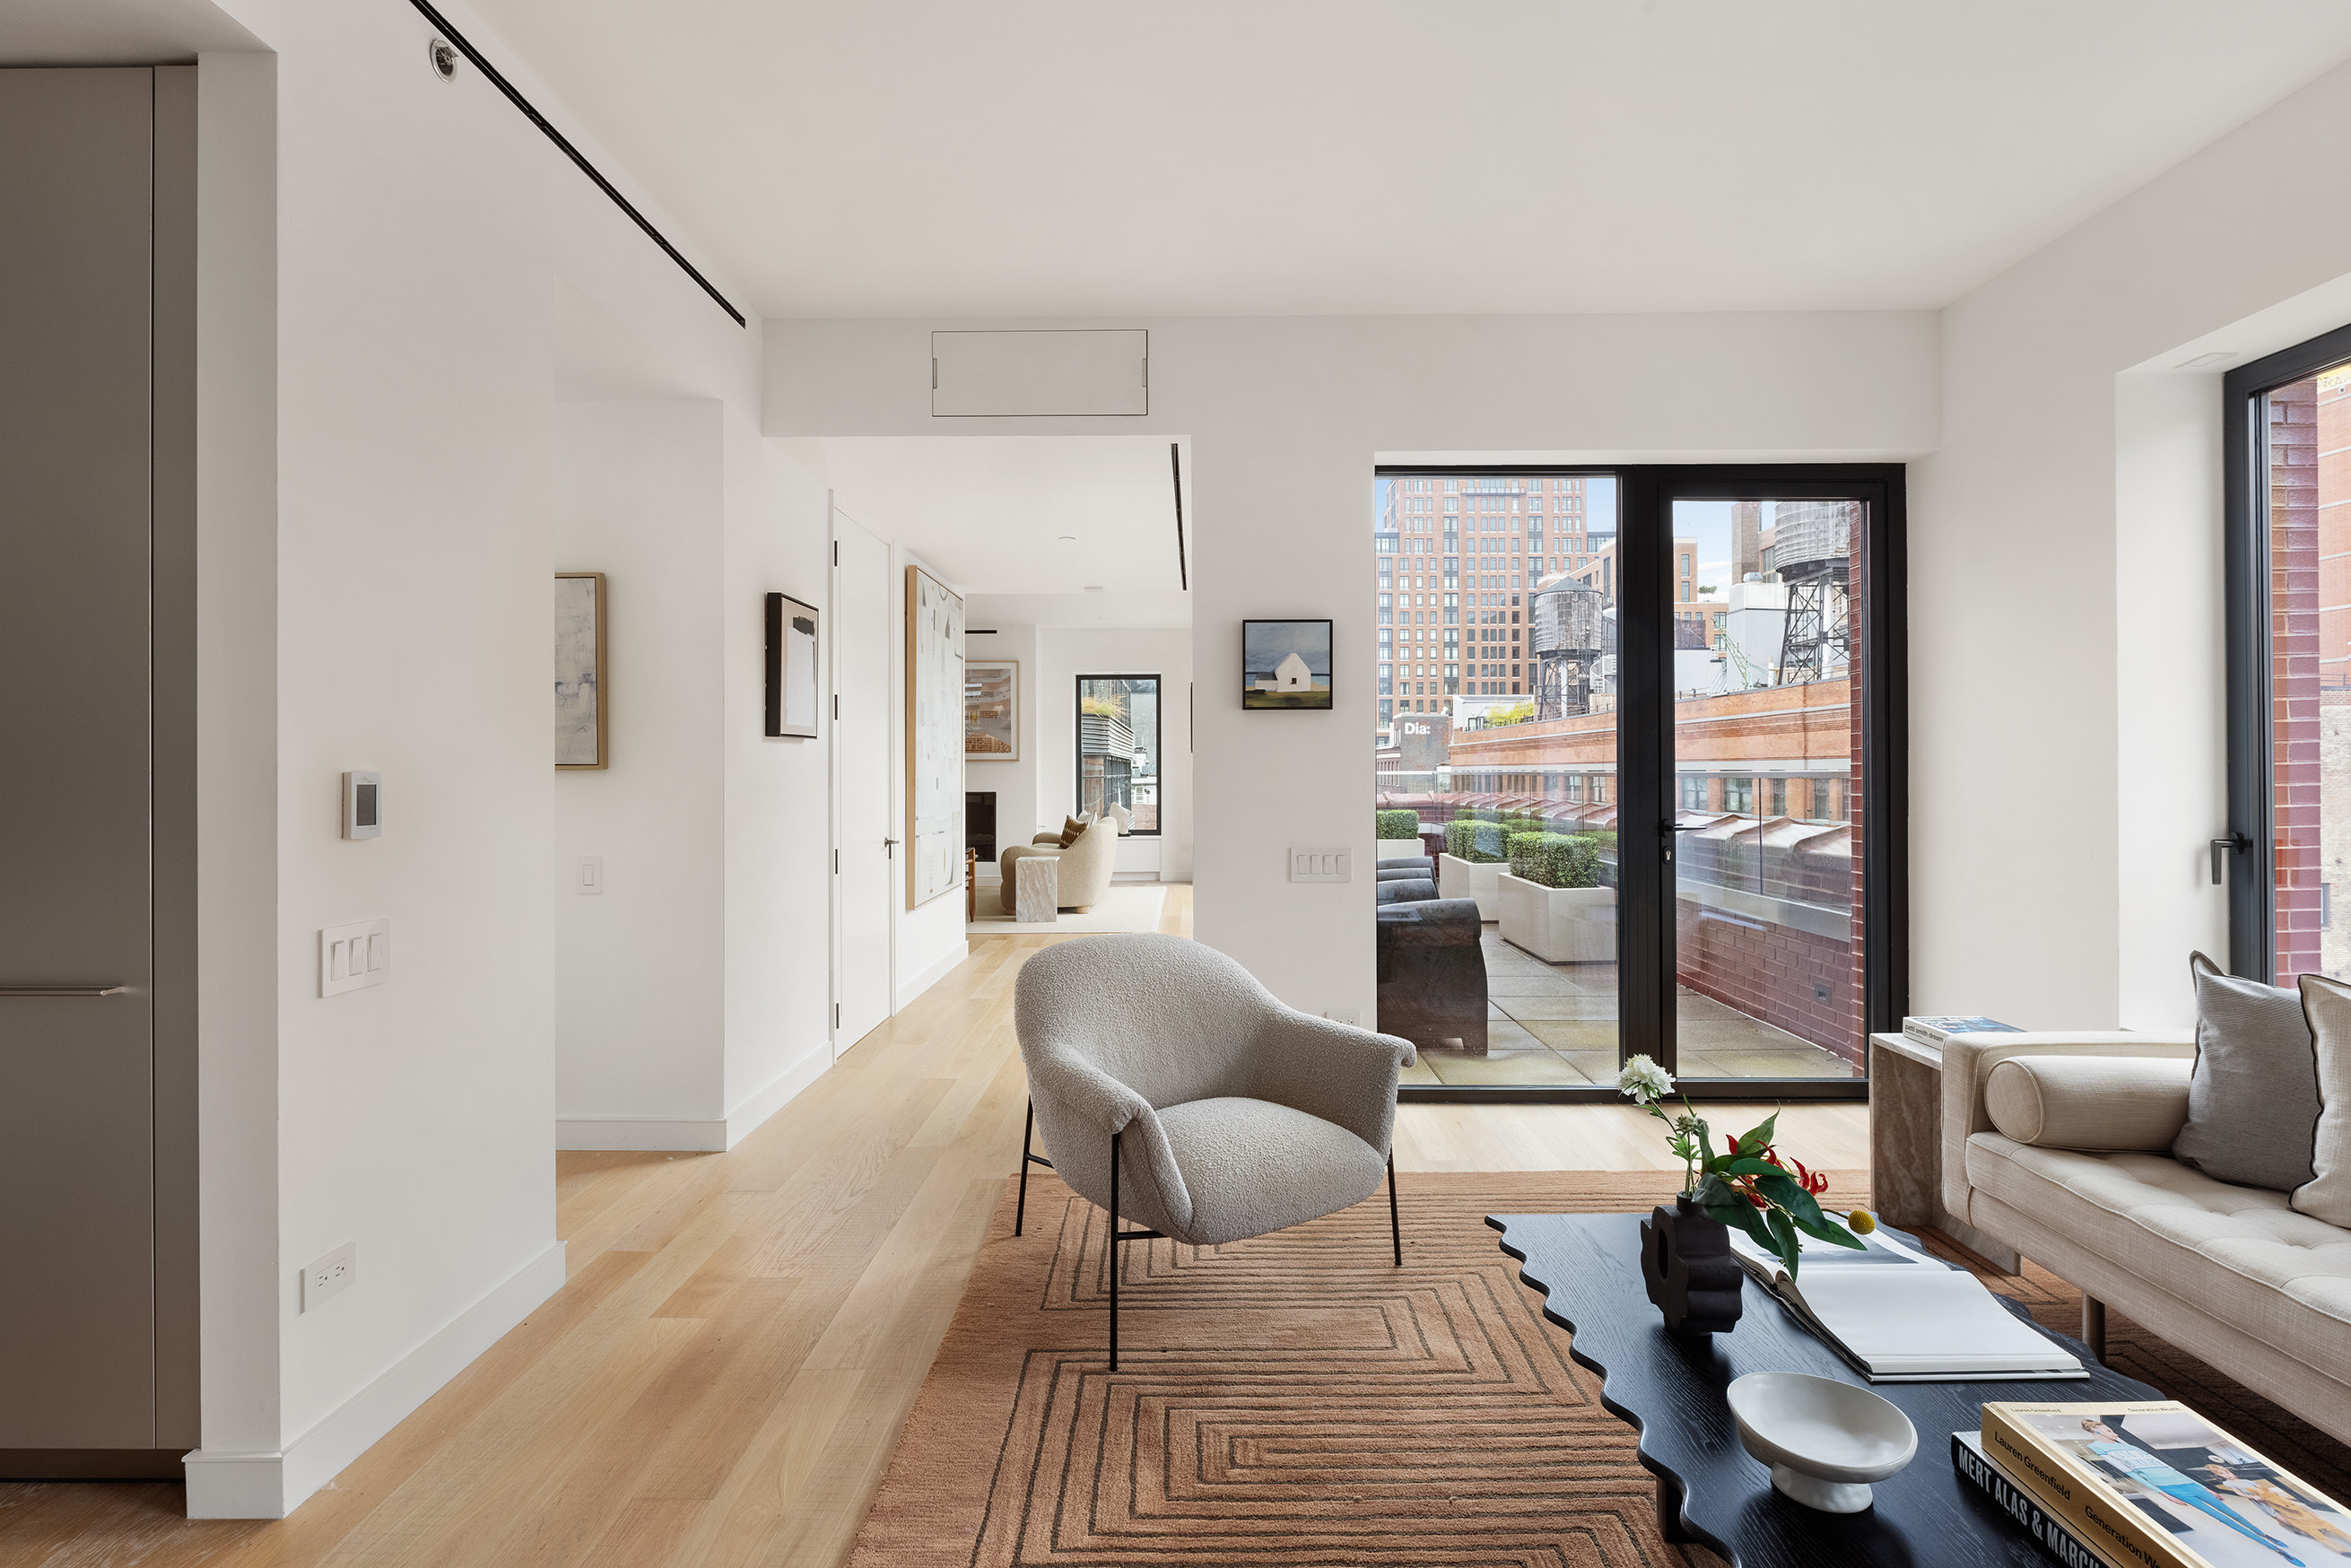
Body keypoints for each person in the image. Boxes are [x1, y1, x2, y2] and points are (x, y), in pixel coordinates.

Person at [2077, 1421, 2306, 1564]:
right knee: (2221, 1518)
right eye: (2108, 1429)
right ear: (2098, 1431)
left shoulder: (2129, 1444)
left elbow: (2164, 1465)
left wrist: (2204, 1486)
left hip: (2187, 1482)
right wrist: (2162, 1493)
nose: (2113, 1432)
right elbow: (2129, 1470)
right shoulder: (2097, 1446)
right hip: (2169, 1487)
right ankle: (2276, 1550)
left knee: (2232, 1513)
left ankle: (2266, 1535)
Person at [2203, 1464, 2351, 1555]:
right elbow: (2241, 1494)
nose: (2226, 1474)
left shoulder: (2245, 1479)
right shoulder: (2229, 1484)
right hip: (2261, 1502)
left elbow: (2262, 1488)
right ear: (2219, 1476)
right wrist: (2255, 1498)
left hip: (2271, 1498)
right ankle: (2301, 1530)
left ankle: (2315, 1526)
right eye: (2222, 1474)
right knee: (2283, 1518)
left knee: (2299, 1510)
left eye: (2226, 1471)